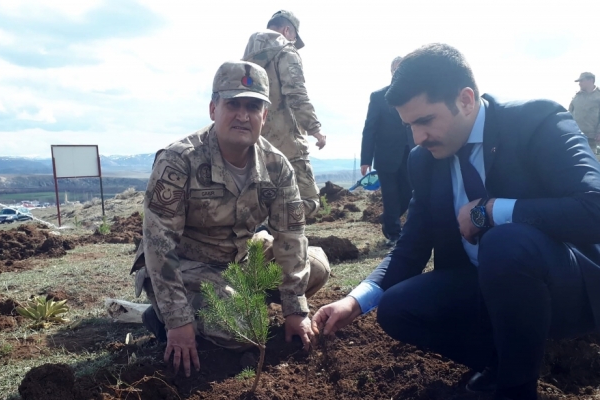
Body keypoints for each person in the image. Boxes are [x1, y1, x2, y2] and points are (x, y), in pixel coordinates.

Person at [311, 43, 600, 400]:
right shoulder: (425, 160)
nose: (417, 138)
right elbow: (411, 248)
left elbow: (594, 208)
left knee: (503, 241)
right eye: (409, 126)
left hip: (569, 289)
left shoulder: (536, 121)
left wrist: (492, 211)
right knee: (397, 307)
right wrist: (354, 302)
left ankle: (515, 391)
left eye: (425, 121)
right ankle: (503, 364)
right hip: (487, 291)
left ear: (465, 99)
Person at [130, 60, 330, 377]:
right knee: (244, 329)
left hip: (238, 256)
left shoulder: (277, 166)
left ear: (264, 115)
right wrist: (177, 319)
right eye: (232, 104)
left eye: (253, 106)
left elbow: (291, 236)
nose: (242, 114)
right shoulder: (179, 160)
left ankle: (230, 305)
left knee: (317, 267)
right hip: (185, 263)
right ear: (213, 108)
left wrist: (294, 309)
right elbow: (159, 246)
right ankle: (166, 315)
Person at [242, 10, 324, 218]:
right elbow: (296, 93)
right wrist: (315, 128)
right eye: (295, 37)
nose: (294, 42)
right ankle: (285, 242)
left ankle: (262, 242)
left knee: (261, 201)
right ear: (288, 30)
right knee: (308, 201)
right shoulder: (287, 52)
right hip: (287, 142)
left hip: (252, 142)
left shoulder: (246, 59)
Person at [360, 57, 413, 247]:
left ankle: (389, 220)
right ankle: (393, 234)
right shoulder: (378, 97)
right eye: (397, 70)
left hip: (410, 154)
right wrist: (365, 159)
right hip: (385, 155)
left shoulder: (415, 95)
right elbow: (370, 128)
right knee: (390, 195)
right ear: (391, 72)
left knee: (408, 194)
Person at [569, 72, 600, 154]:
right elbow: (569, 114)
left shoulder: (598, 96)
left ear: (591, 80)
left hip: (591, 137)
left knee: (590, 163)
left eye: (582, 81)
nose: (579, 84)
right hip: (575, 135)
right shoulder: (577, 96)